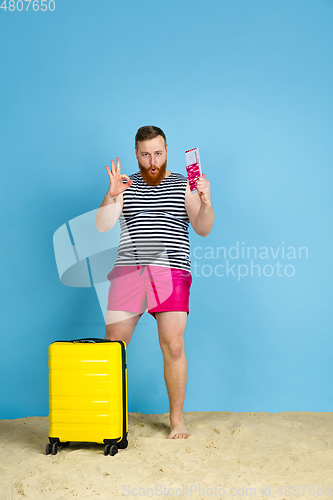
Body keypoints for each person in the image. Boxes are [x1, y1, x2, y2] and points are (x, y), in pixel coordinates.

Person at [95, 126, 214, 439]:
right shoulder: (125, 185)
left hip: (171, 271)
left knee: (174, 346)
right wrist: (110, 195)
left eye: (158, 153)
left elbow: (203, 229)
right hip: (129, 272)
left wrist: (206, 202)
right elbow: (103, 226)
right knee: (113, 346)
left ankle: (177, 421)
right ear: (136, 153)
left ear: (166, 151)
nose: (152, 160)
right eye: (145, 153)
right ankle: (105, 415)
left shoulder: (183, 183)